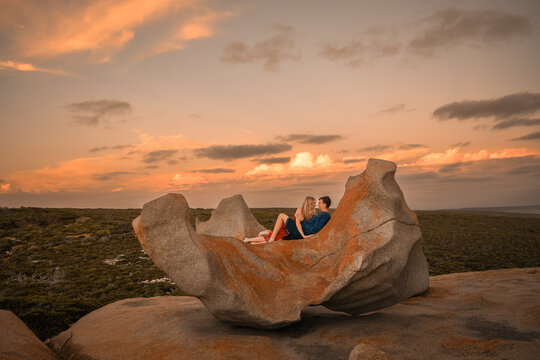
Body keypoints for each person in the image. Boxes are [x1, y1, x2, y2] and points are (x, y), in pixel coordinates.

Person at [244, 196, 332, 244]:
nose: (317, 205)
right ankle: (251, 242)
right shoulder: (317, 214)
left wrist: (303, 222)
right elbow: (310, 226)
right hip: (297, 231)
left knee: (281, 216)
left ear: (325, 204)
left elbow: (312, 229)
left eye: (319, 203)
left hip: (299, 232)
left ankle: (254, 240)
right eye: (315, 203)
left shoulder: (324, 216)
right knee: (278, 238)